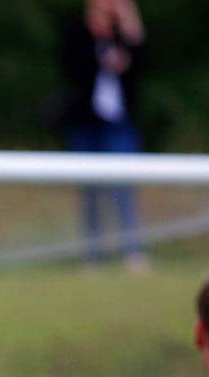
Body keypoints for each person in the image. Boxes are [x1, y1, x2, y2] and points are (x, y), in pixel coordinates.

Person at [58, 0, 148, 271]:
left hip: (118, 124)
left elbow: (143, 61)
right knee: (89, 191)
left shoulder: (124, 34)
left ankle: (131, 252)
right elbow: (70, 68)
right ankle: (93, 255)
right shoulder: (78, 33)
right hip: (86, 123)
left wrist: (130, 22)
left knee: (124, 189)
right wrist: (101, 57)